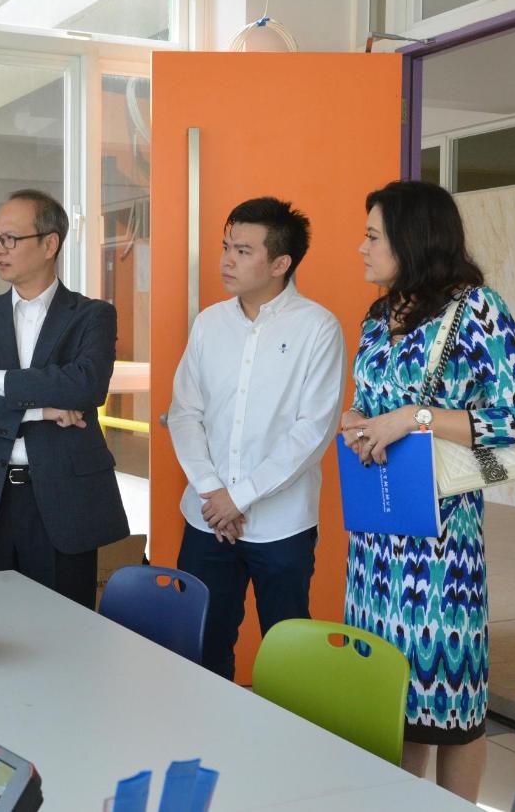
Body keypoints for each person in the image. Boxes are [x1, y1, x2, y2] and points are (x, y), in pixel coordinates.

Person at [340, 180, 515, 802]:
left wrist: (414, 418)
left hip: (441, 548)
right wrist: (357, 421)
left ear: (412, 239)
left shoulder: (479, 310)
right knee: (389, 705)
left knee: (449, 706)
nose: (361, 248)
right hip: (376, 543)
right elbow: (369, 402)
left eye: (372, 236)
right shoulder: (379, 316)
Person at [168, 197, 345, 680]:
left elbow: (312, 431)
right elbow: (185, 413)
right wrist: (213, 492)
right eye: (226, 246)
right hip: (206, 520)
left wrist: (239, 497)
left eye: (243, 251)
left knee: (289, 656)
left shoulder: (317, 327)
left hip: (281, 526)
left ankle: (287, 733)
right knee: (200, 648)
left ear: (280, 263)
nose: (227, 260)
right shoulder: (209, 323)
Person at [0, 189, 129, 609]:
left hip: (63, 501)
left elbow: (85, 385)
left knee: (62, 628)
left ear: (49, 244)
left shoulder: (92, 315)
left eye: (10, 238)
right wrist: (42, 409)